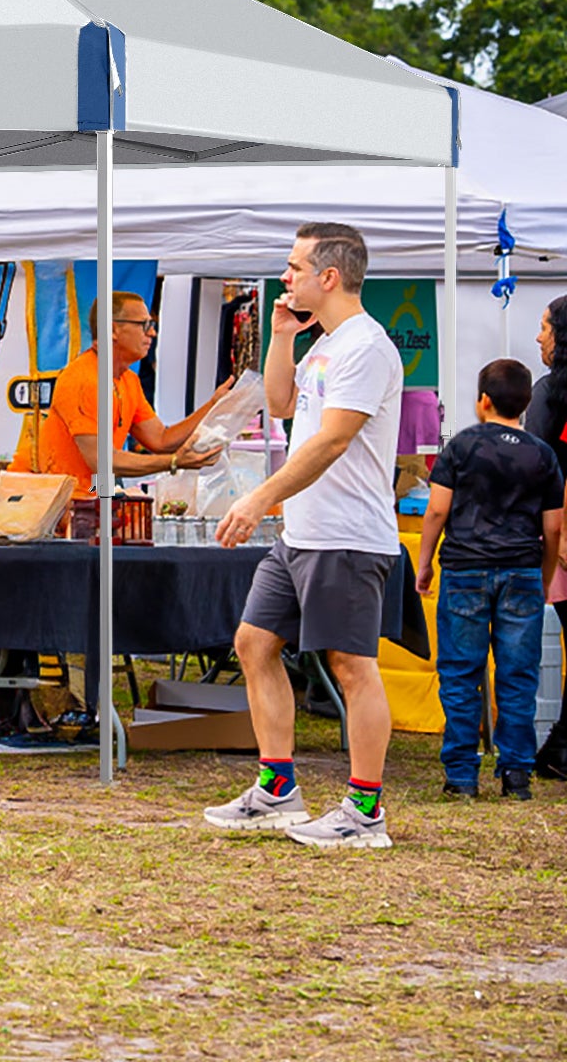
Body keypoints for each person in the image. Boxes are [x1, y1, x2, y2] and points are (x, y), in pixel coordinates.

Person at [204, 222, 403, 850]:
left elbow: (333, 439)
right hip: (303, 533)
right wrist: (283, 338)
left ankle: (365, 810)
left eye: (293, 266)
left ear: (329, 276)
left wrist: (262, 495)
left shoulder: (365, 346)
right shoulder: (324, 343)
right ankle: (278, 788)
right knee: (253, 642)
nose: (284, 276)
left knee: (351, 666)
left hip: (346, 535)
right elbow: (285, 406)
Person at [415, 358, 562, 800]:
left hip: (465, 570)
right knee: (518, 675)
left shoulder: (460, 447)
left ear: (482, 400)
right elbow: (554, 527)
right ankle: (516, 773)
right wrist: (545, 574)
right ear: (526, 402)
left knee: (461, 673)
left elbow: (437, 509)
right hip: (521, 571)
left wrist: (425, 563)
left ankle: (461, 775)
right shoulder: (542, 453)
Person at [14, 291, 227, 492]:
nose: (152, 332)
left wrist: (213, 406)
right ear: (113, 330)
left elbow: (161, 439)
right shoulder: (84, 379)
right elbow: (101, 460)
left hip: (93, 501)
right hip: (63, 508)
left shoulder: (128, 380)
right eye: (144, 324)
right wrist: (173, 462)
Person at [523, 295, 567, 779]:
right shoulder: (549, 393)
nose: (540, 337)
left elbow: (537, 469)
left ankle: (556, 749)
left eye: (545, 327)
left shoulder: (550, 395)